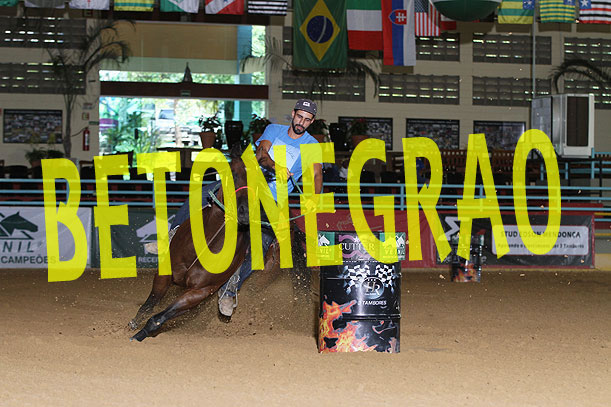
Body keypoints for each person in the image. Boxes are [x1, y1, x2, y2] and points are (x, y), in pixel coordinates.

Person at [145, 99, 323, 319]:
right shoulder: (274, 130)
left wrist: (314, 199)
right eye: (299, 117)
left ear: (311, 121)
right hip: (244, 186)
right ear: (293, 114)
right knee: (199, 195)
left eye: (306, 120)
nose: (301, 122)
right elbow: (262, 154)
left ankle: (230, 289)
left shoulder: (312, 145)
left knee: (260, 246)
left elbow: (316, 174)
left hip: (272, 200)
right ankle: (170, 238)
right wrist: (276, 167)